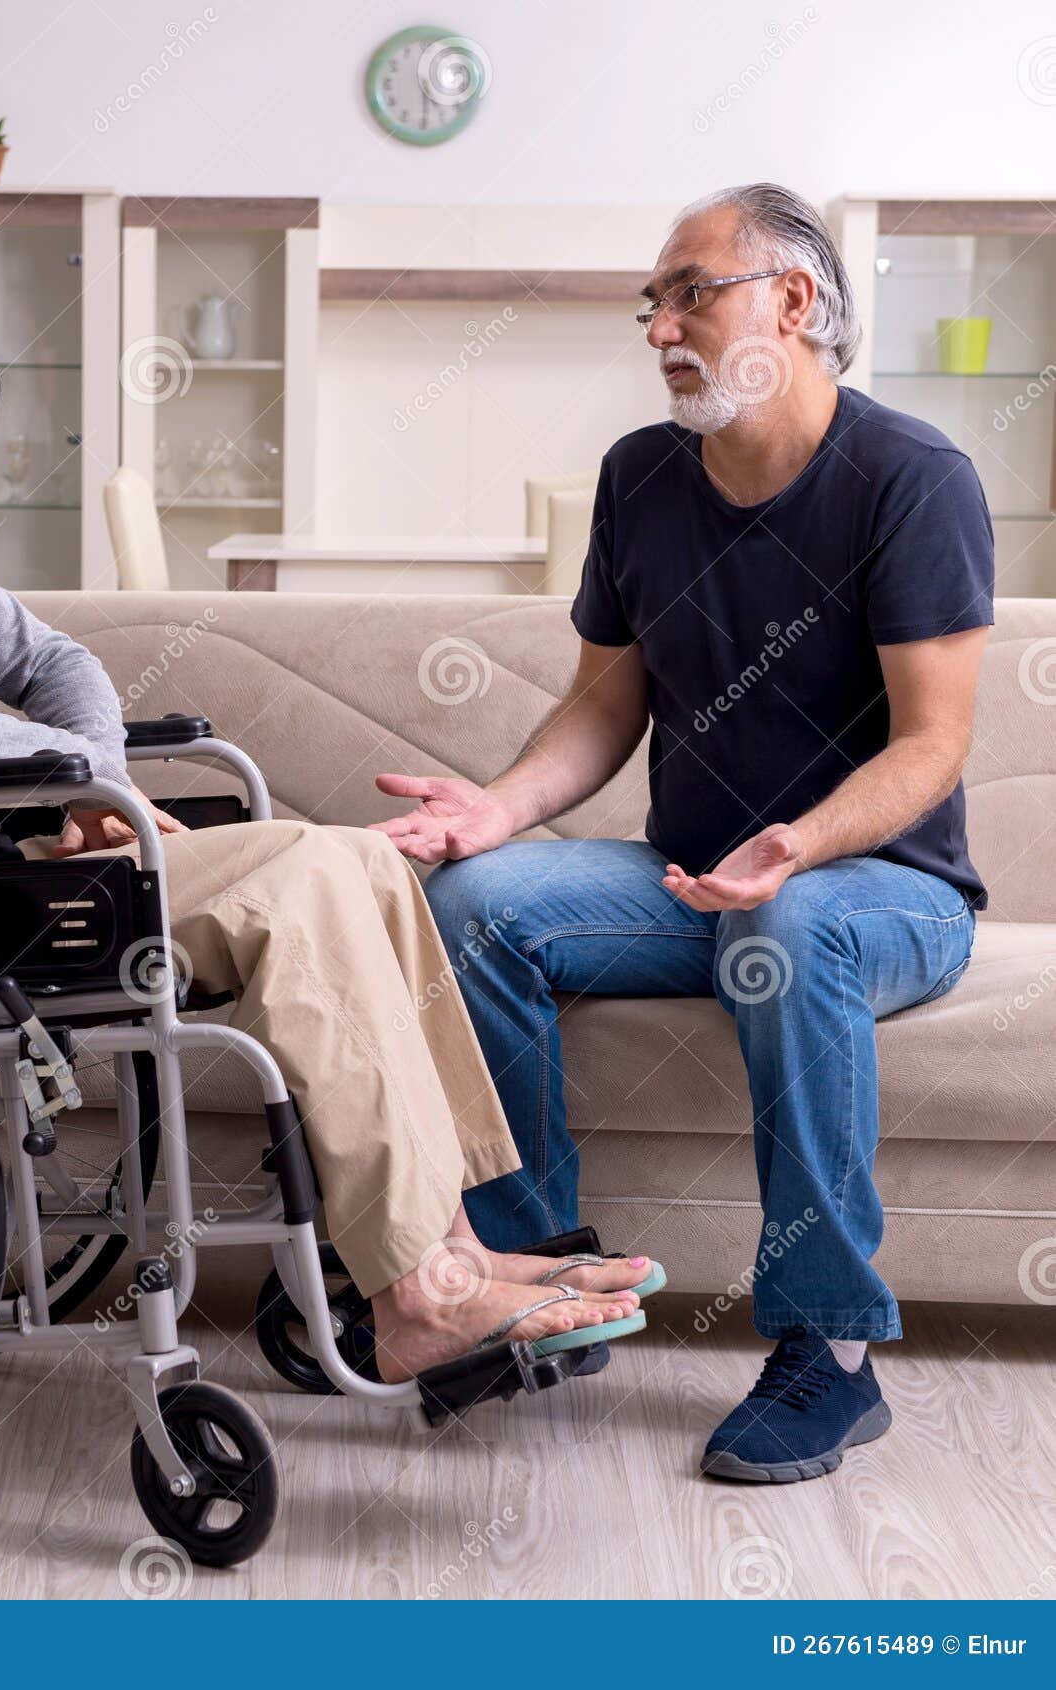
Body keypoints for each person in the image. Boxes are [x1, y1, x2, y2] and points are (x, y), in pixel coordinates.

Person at [0, 277, 654, 1389]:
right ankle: (417, 1288)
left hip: (4, 878)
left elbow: (60, 663)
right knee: (305, 888)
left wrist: (86, 779)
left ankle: (452, 1250)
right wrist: (75, 773)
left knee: (360, 858)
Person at [373, 183, 994, 1477]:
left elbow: (933, 741)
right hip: (690, 879)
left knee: (792, 915)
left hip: (879, 888)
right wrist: (498, 808)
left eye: (688, 291)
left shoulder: (911, 480)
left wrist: (799, 844)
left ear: (794, 300)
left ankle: (828, 1346)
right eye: (649, 301)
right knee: (479, 901)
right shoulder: (639, 476)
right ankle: (540, 1286)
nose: (659, 323)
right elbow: (605, 700)